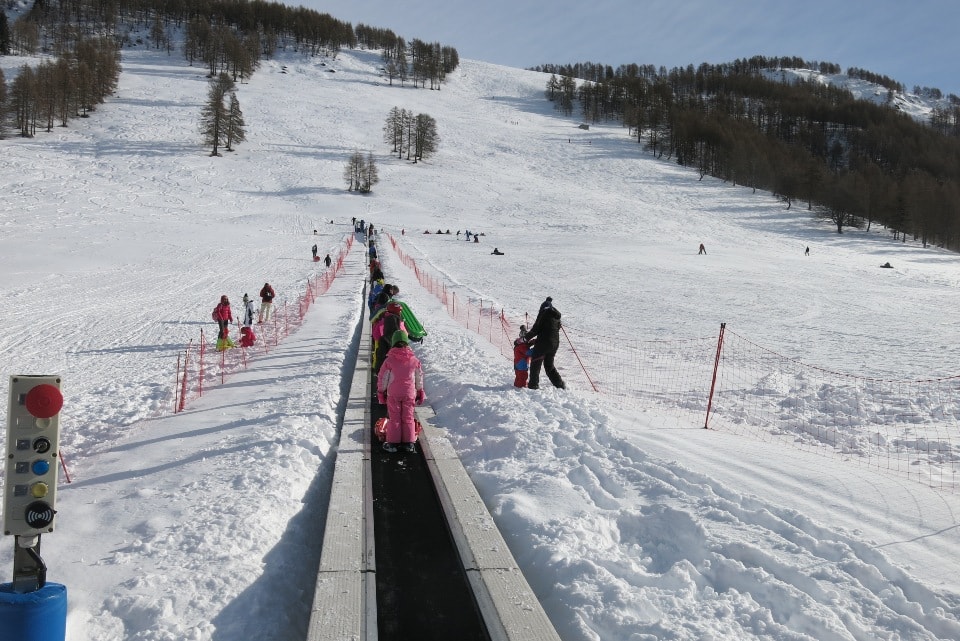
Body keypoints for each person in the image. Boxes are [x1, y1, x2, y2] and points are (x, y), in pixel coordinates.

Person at [377, 330, 425, 453]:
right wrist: (420, 391)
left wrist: (381, 392)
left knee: (394, 418)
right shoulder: (414, 360)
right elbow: (419, 377)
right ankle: (409, 443)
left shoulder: (389, 360)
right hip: (409, 393)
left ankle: (393, 443)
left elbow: (383, 378)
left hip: (393, 394)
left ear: (393, 342)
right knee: (408, 417)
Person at [525, 297, 565, 390]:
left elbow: (536, 329)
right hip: (554, 344)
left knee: (535, 363)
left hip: (543, 344)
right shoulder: (556, 317)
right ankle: (560, 384)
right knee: (549, 365)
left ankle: (533, 385)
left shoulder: (543, 313)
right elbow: (557, 328)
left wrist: (524, 339)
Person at [373, 301, 406, 372]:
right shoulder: (399, 322)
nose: (400, 313)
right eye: (399, 311)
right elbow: (404, 334)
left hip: (382, 342)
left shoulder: (381, 319)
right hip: (396, 344)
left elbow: (375, 335)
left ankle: (376, 371)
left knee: (381, 358)